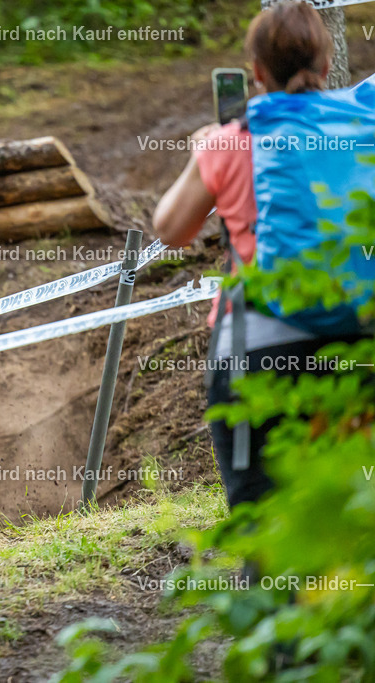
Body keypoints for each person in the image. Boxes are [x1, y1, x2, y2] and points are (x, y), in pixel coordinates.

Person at [153, 1, 365, 510]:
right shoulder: (361, 126)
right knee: (354, 514)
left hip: (261, 352)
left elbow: (170, 229)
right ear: (327, 57)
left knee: (262, 521)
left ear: (256, 72)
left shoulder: (232, 142)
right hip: (358, 345)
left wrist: (201, 153)